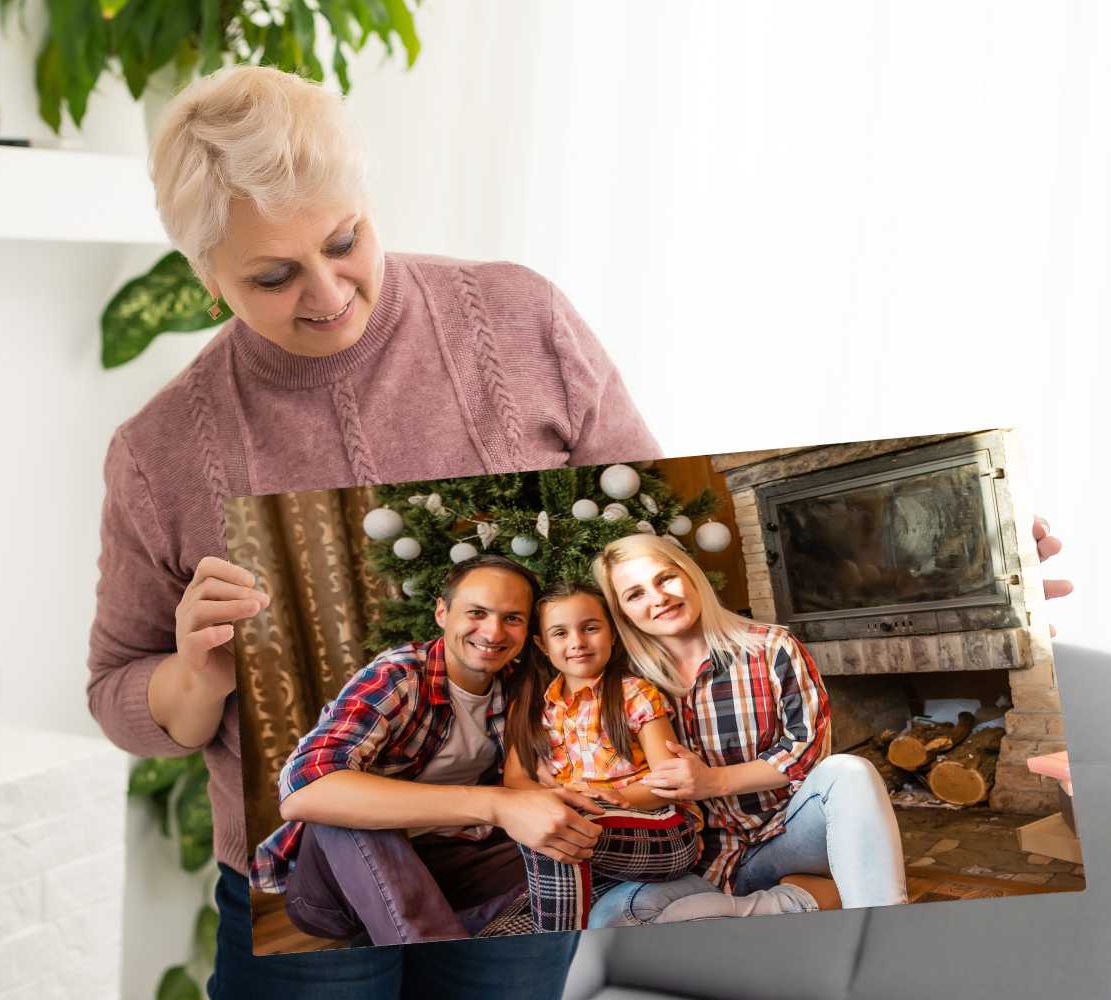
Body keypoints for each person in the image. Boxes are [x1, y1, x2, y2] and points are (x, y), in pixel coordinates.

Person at [86, 64, 660, 1000]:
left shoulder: (520, 322)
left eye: (344, 240)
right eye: (272, 276)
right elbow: (118, 693)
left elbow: (635, 547)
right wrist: (195, 675)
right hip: (305, 892)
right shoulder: (159, 451)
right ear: (205, 275)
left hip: (512, 864)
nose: (326, 293)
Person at [251, 556, 612, 946]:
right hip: (338, 887)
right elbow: (304, 788)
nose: (493, 632)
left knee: (570, 834)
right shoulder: (399, 676)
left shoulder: (521, 688)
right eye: (476, 612)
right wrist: (495, 803)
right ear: (442, 611)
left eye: (512, 618)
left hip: (450, 865)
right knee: (343, 804)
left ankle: (474, 931)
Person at [589, 533, 906, 921]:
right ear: (622, 613)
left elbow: (805, 751)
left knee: (850, 771)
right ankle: (790, 901)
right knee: (613, 917)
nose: (658, 598)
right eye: (635, 594)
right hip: (702, 861)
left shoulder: (771, 648)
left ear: (690, 575)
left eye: (665, 578)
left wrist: (713, 781)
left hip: (788, 835)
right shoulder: (627, 687)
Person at [501, 581, 703, 931]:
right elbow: (515, 781)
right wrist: (559, 796)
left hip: (663, 830)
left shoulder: (634, 694)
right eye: (560, 633)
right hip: (591, 849)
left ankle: (559, 956)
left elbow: (669, 782)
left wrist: (617, 797)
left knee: (560, 823)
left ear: (611, 634)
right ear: (542, 645)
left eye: (590, 628)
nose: (577, 642)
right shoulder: (531, 708)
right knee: (498, 932)